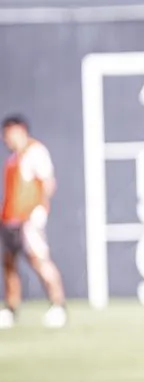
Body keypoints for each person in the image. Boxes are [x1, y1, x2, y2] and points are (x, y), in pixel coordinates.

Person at [0, 115, 67, 329]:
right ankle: (11, 309)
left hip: (29, 219)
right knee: (9, 264)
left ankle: (58, 305)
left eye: (9, 132)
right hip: (10, 220)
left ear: (20, 130)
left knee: (40, 261)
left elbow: (48, 183)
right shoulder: (13, 158)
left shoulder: (35, 152)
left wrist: (39, 210)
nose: (6, 138)